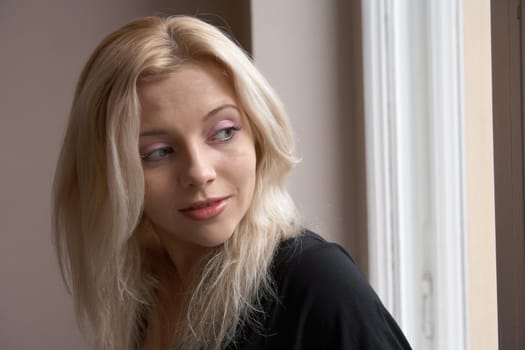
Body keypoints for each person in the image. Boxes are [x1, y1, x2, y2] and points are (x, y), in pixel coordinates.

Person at [52, 16, 411, 350]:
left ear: (258, 134)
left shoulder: (318, 284)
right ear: (112, 171)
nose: (199, 172)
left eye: (223, 132)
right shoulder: (148, 297)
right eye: (158, 152)